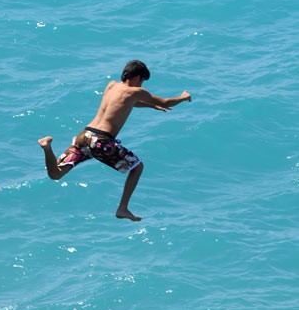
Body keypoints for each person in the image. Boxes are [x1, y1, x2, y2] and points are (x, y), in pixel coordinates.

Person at [38, 60, 192, 221]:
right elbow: (165, 102)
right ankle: (123, 208)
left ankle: (47, 147)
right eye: (141, 81)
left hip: (85, 136)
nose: (140, 85)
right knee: (137, 168)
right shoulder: (136, 92)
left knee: (55, 174)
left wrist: (150, 106)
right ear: (137, 77)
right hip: (101, 141)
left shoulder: (111, 85)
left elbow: (123, 103)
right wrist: (182, 97)